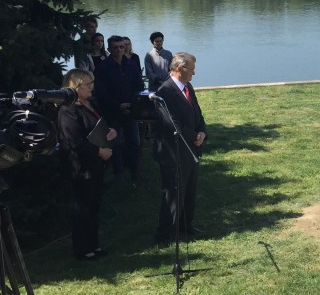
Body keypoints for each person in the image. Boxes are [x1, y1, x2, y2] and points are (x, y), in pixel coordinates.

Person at [57, 69, 116, 260]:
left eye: (92, 83)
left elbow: (95, 128)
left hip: (96, 165)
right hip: (81, 167)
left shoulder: (89, 104)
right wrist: (100, 151)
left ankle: (94, 244)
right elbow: (76, 141)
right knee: (83, 208)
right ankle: (83, 249)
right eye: (87, 84)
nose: (92, 87)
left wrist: (109, 133)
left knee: (94, 206)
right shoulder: (68, 110)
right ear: (75, 86)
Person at [154, 52, 208, 244]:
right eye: (191, 69)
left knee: (189, 189)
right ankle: (165, 233)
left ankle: (186, 224)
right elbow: (173, 124)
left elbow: (197, 113)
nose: (194, 72)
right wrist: (195, 137)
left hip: (191, 149)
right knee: (174, 192)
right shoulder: (165, 92)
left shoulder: (188, 87)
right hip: (174, 152)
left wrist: (202, 131)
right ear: (179, 69)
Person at [95, 35, 143, 184]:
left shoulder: (131, 64)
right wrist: (117, 105)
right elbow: (101, 92)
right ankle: (118, 173)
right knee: (114, 143)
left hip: (130, 111)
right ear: (109, 49)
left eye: (122, 47)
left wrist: (134, 103)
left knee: (134, 141)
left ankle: (135, 172)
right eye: (115, 47)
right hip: (111, 112)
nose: (119, 50)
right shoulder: (102, 68)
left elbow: (139, 86)